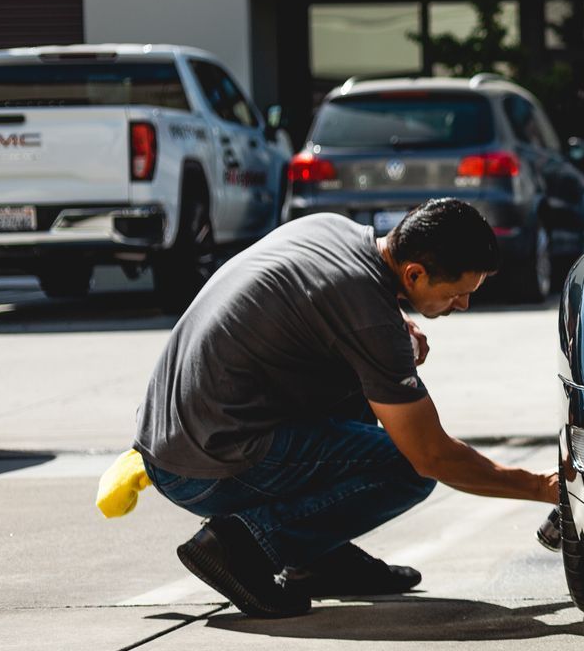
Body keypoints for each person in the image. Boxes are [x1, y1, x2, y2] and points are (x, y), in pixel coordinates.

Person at [135, 198, 557, 618]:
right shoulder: (369, 320)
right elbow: (432, 455)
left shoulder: (332, 231)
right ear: (414, 274)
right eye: (458, 293)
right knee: (408, 469)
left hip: (172, 437)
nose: (462, 305)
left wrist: (390, 337)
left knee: (365, 384)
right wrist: (540, 486)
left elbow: (321, 309)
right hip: (202, 468)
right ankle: (242, 547)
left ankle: (317, 559)